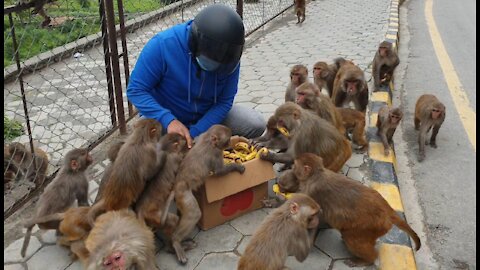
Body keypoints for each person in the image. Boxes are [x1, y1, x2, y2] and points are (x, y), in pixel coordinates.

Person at [127, 4, 266, 148]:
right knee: (143, 152)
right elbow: (136, 90)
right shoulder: (163, 45)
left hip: (207, 118)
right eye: (210, 59)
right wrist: (168, 120)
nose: (215, 67)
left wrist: (195, 134)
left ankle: (203, 146)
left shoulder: (229, 59)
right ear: (194, 44)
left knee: (255, 123)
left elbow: (224, 102)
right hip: (166, 120)